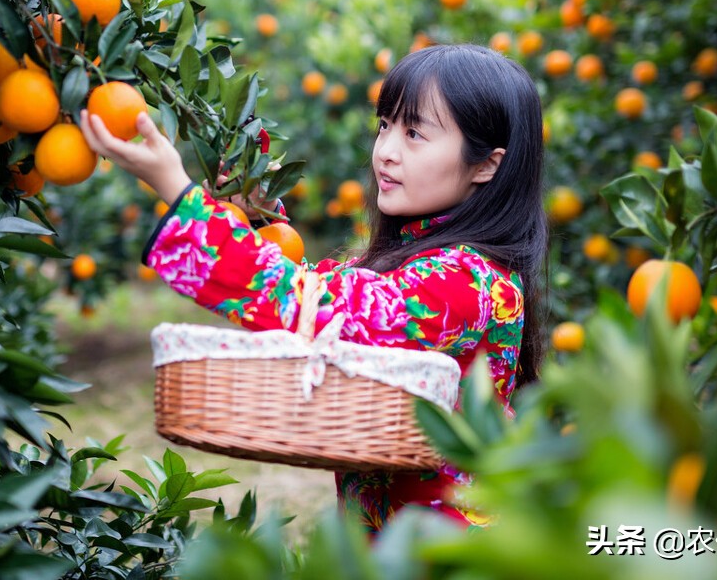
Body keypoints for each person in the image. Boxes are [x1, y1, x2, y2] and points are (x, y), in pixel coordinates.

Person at [78, 43, 547, 534]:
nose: (385, 151)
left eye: (414, 133)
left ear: (486, 165)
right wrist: (256, 219)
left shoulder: (469, 281)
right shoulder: (426, 259)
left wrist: (177, 190)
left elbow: (325, 312)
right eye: (385, 126)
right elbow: (328, 291)